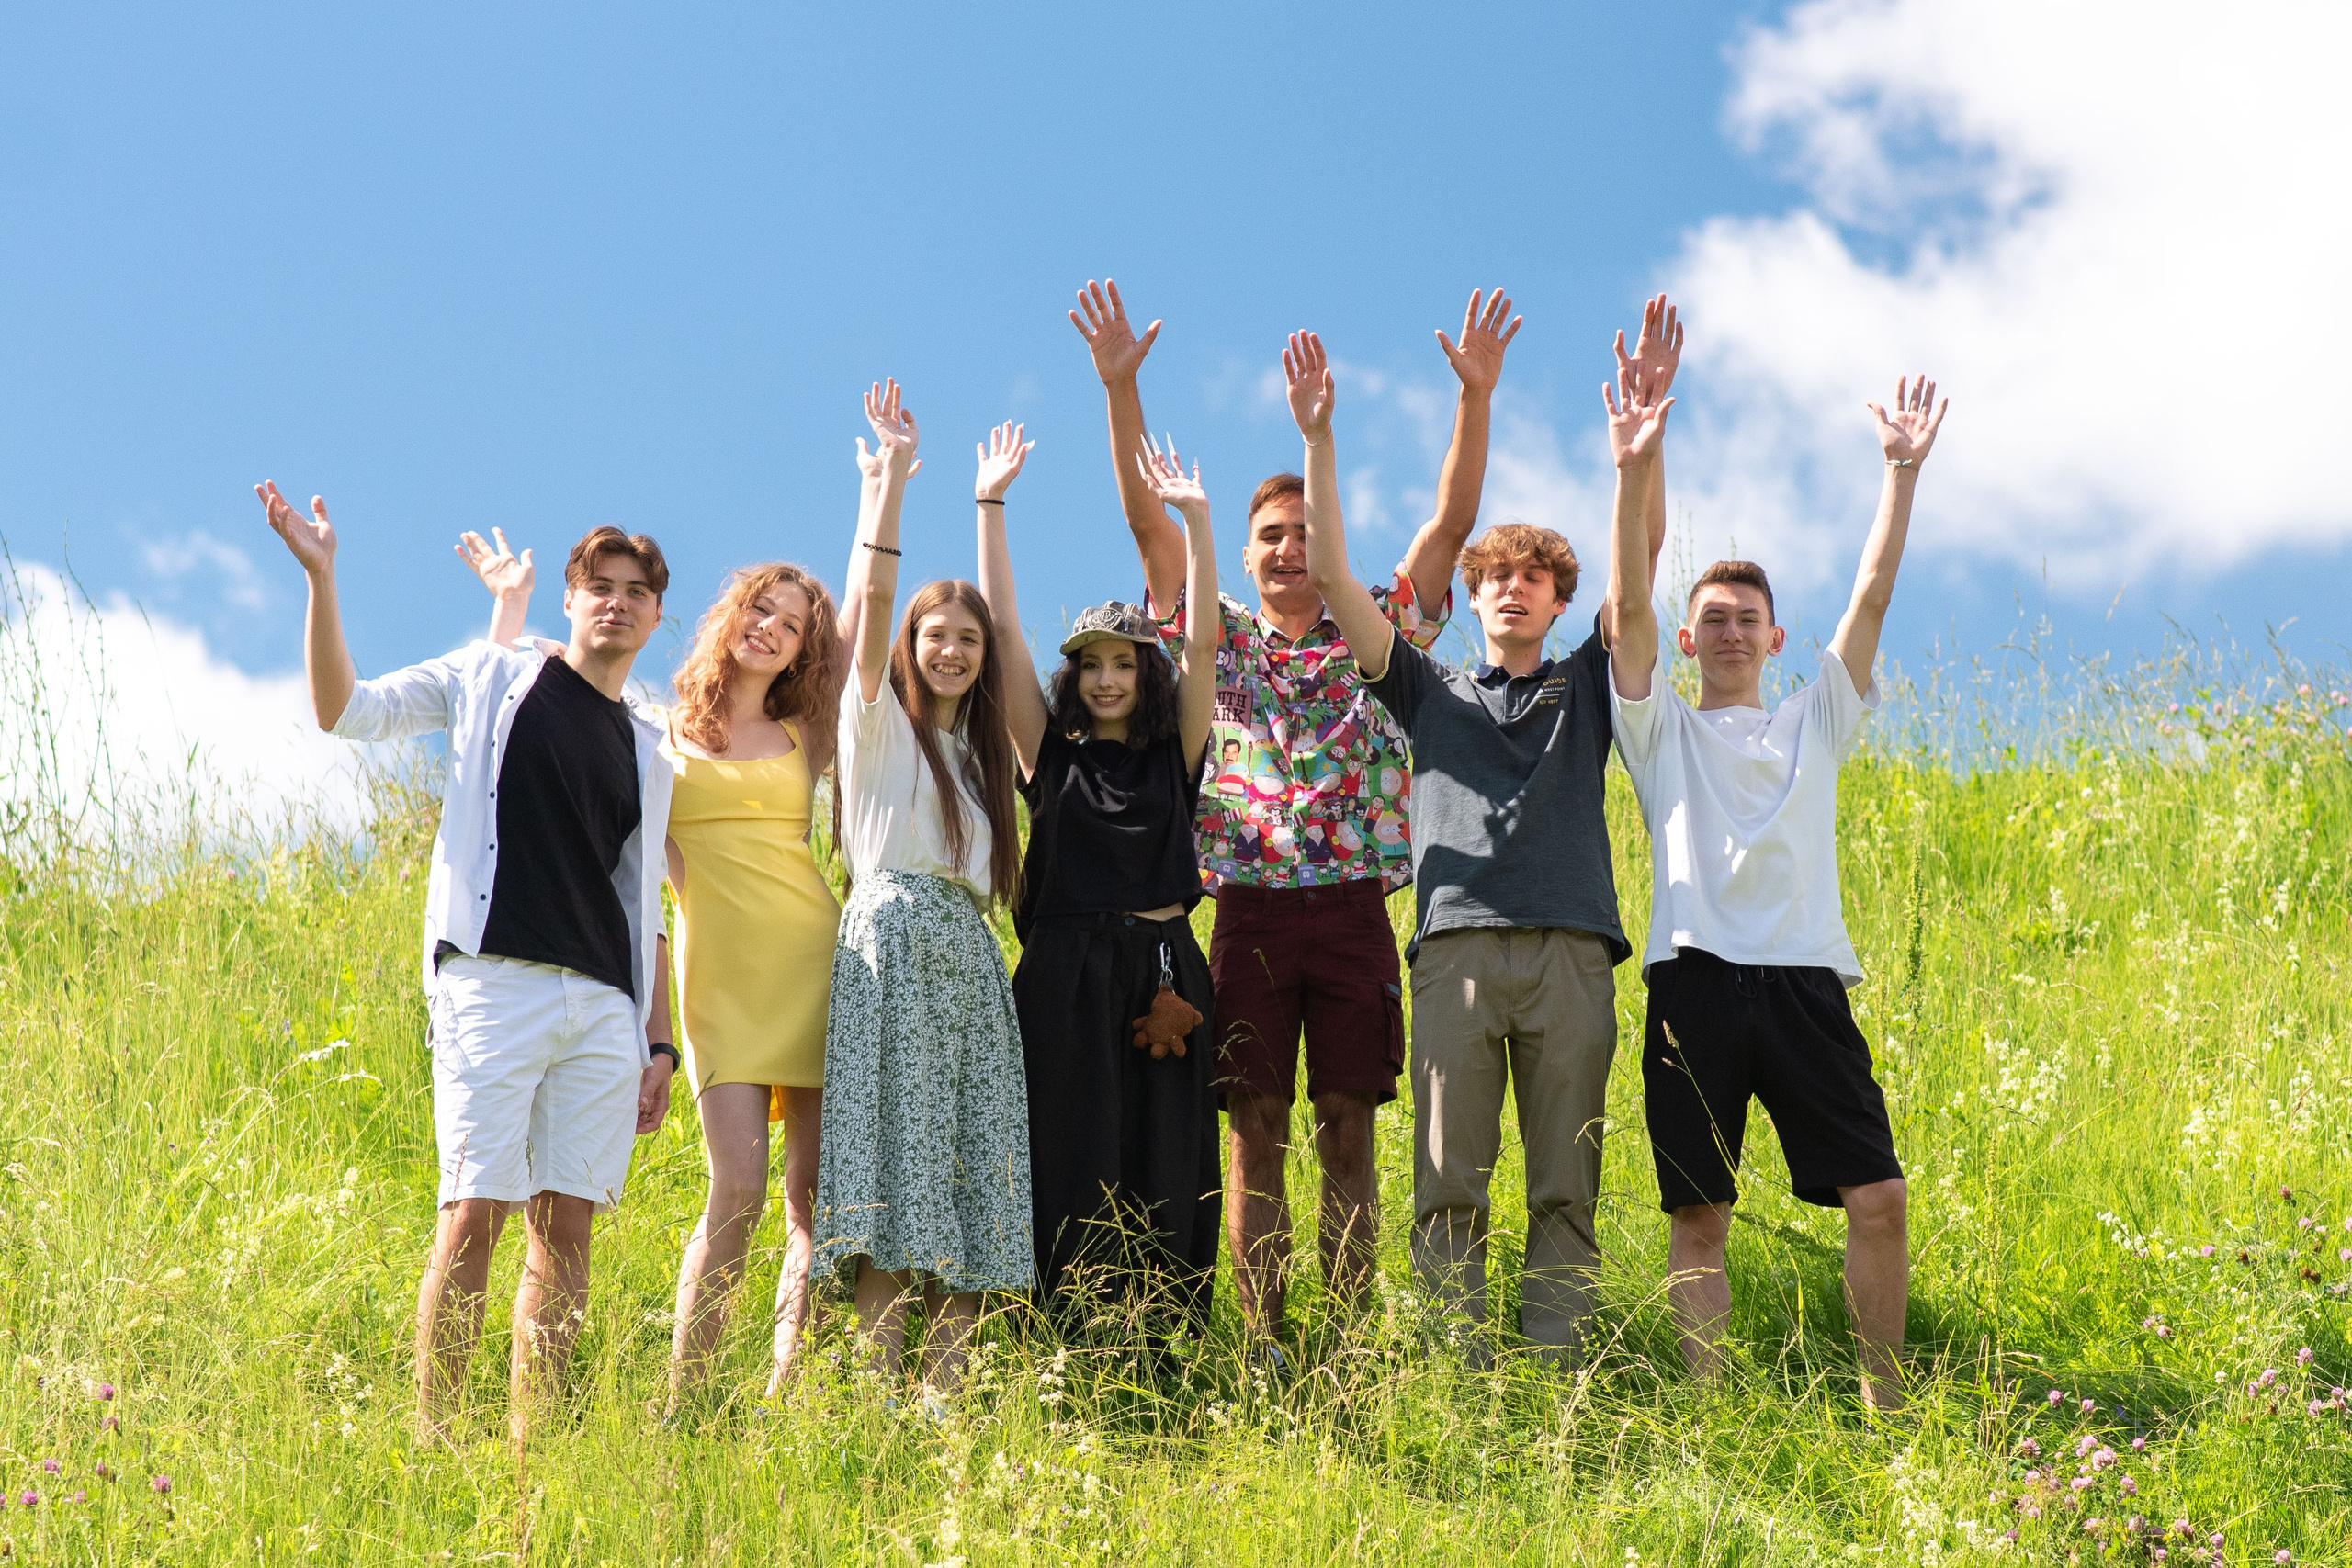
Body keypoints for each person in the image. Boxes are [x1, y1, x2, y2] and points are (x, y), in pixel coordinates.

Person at [1071, 277, 1518, 1343]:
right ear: (1249, 551)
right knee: (1255, 1130)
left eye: (1304, 532)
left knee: (1348, 1125)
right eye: (1270, 534)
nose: (1285, 549)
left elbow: (1452, 523)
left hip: (1355, 909)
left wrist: (1475, 397)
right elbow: (1146, 522)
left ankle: (1348, 1350)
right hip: (1249, 908)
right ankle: (1268, 1344)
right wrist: (1120, 389)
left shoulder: (1380, 625)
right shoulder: (1216, 633)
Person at [258, 487, 677, 1445]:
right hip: (493, 982)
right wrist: (323, 578)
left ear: (657, 615)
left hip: (601, 1010)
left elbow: (642, 900)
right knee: (474, 1209)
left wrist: (658, 1043)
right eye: (600, 587)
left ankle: (534, 1456)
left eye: (636, 592)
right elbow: (344, 710)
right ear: (570, 601)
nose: (616, 603)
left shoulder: (648, 746)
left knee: (566, 1232)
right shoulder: (490, 676)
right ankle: (437, 1439)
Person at [1294, 319, 1645, 1359]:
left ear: (1558, 601)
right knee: (1448, 1182)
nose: (1513, 587)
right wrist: (1318, 438)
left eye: (1535, 578)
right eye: (1497, 577)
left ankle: (1555, 1371)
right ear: (1474, 597)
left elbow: (1634, 584)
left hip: (1573, 949)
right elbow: (1334, 580)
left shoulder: (1588, 684)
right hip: (1454, 952)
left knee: (1565, 1182)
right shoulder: (1425, 685)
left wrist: (1633, 463)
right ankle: (1458, 1373)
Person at [1606, 371, 1949, 1410]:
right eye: (1711, 618)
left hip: (1805, 985)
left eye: (1747, 618)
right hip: (1695, 983)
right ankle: (1709, 1413)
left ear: (1774, 639)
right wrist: (1634, 467)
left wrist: (1900, 472)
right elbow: (1626, 607)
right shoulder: (1657, 730)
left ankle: (1886, 1403)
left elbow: (1871, 596)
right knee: (1698, 1213)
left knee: (1879, 1197)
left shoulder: (1816, 719)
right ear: (1688, 640)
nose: (1729, 631)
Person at [465, 524, 848, 1404]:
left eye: (791, 624)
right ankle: (687, 1402)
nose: (769, 629)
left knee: (813, 1199)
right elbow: (638, 889)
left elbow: (866, 616)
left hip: (816, 968)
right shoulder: (655, 736)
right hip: (720, 980)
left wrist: (883, 493)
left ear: (804, 650)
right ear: (729, 615)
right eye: (760, 609)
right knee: (737, 1191)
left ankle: (788, 1397)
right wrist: (657, 1033)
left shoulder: (807, 733)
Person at [976, 431, 1222, 1338]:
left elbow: (1204, 644)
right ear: (1071, 675)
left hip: (1165, 968)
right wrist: (990, 505)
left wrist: (1197, 523)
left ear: (1146, 672)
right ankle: (1055, 1334)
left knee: (1168, 1153)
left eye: (1124, 662)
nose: (1108, 678)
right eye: (1091, 662)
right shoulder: (1048, 754)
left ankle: (1164, 1342)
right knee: (1065, 1149)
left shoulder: (1174, 755)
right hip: (1063, 970)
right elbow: (1004, 633)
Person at [813, 382, 1034, 1393]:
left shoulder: (985, 762)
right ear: (910, 645)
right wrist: (893, 481)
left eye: (967, 640)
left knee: (968, 1172)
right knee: (896, 1173)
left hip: (971, 967)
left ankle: (945, 1410)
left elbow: (1014, 643)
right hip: (891, 950)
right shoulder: (873, 723)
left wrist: (994, 506)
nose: (950, 650)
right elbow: (865, 610)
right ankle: (874, 1401)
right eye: (934, 634)